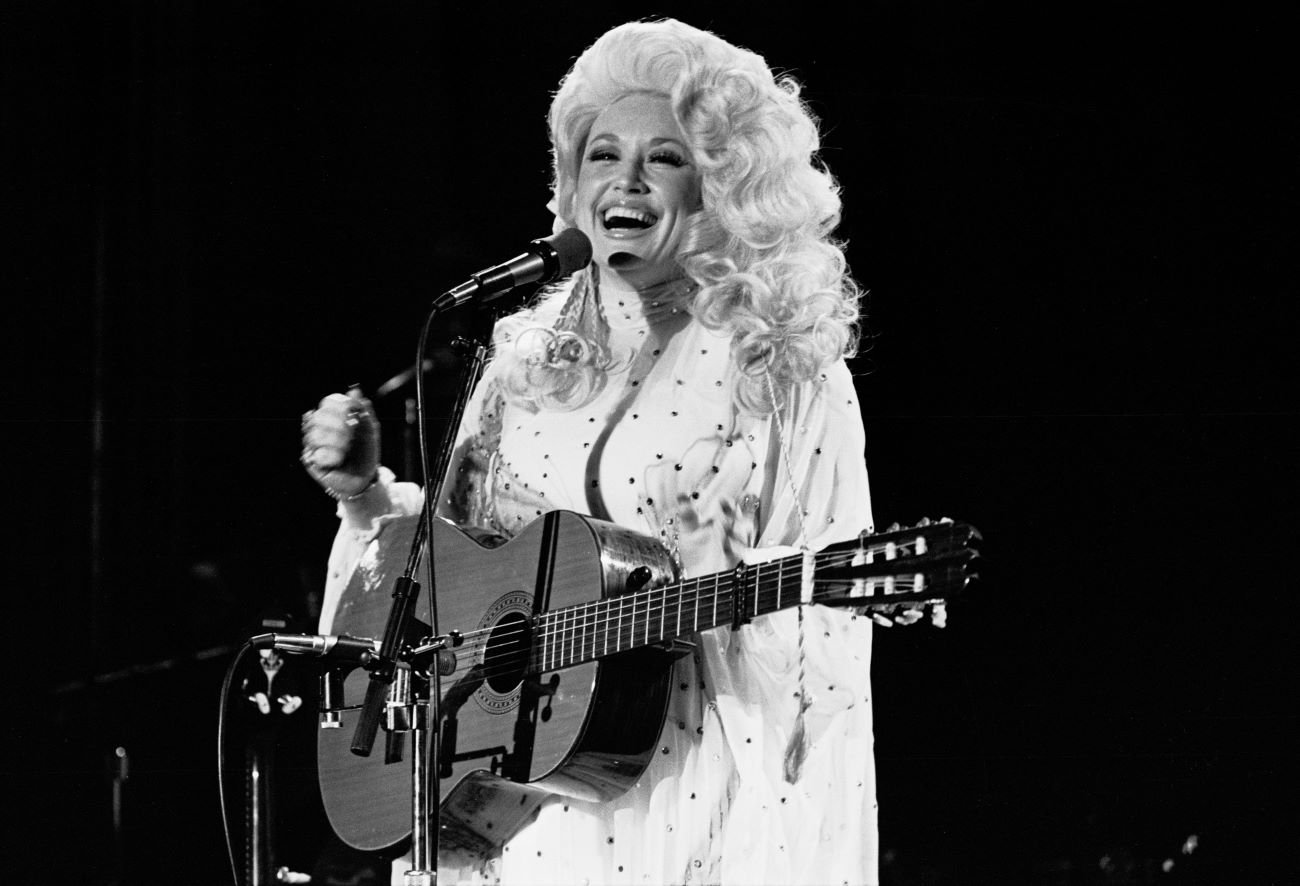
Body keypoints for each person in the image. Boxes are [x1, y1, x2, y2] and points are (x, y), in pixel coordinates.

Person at [302, 18, 916, 885]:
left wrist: (729, 582)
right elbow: (444, 580)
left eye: (663, 157)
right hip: (523, 807)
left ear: (718, 185)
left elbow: (827, 618)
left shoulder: (782, 363)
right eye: (602, 154)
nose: (625, 180)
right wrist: (364, 495)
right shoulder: (520, 358)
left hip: (694, 786)